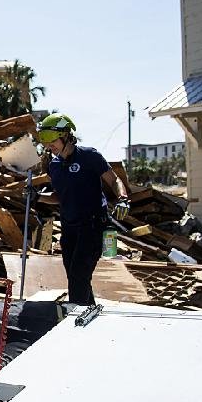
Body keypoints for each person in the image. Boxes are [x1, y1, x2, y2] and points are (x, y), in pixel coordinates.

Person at [35, 113, 129, 306]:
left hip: (93, 226)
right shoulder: (55, 166)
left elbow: (114, 179)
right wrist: (36, 196)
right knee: (75, 274)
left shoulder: (89, 156)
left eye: (51, 139)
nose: (48, 145)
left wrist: (123, 199)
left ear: (66, 135)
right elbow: (60, 197)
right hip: (70, 228)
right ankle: (91, 312)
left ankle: (74, 319)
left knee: (79, 274)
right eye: (44, 140)